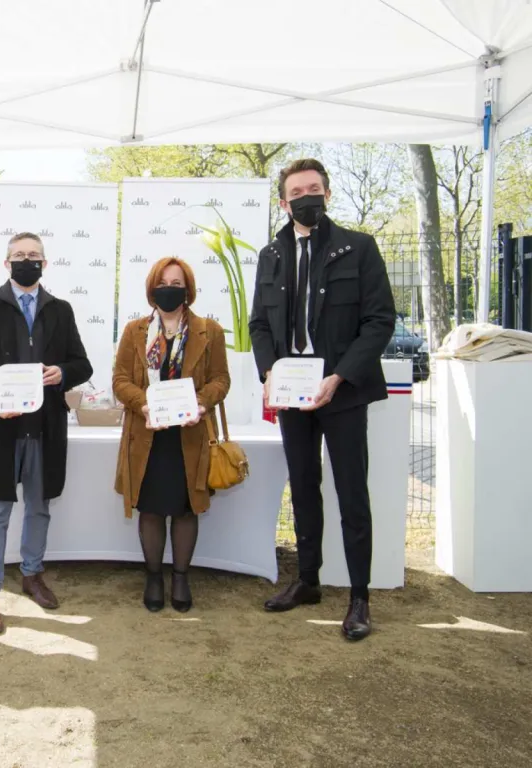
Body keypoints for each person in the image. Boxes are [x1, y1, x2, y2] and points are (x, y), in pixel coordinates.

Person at [248, 158, 395, 641]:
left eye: (314, 188)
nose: (306, 197)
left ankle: (359, 597)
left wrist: (340, 376)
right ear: (283, 202)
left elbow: (379, 320)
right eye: (296, 191)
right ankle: (307, 580)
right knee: (303, 486)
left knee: (352, 492)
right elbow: (259, 324)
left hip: (342, 390)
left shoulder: (359, 247)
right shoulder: (271, 255)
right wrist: (269, 371)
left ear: (327, 194)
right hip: (291, 391)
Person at [0, 231, 93, 634]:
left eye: (33, 255)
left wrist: (62, 373)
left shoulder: (60, 310)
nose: (26, 261)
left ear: (44, 264)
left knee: (38, 505)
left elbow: (82, 364)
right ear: (6, 263)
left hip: (44, 426)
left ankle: (32, 574)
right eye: (18, 255)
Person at [113, 257, 230, 613]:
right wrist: (144, 405)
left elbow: (220, 380)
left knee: (184, 509)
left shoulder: (209, 331)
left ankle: (180, 576)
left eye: (176, 284)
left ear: (188, 289)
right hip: (147, 435)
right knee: (150, 509)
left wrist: (201, 403)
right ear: (152, 288)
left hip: (189, 436)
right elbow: (120, 381)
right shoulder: (134, 331)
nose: (169, 289)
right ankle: (153, 576)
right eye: (163, 283)